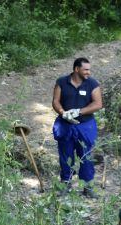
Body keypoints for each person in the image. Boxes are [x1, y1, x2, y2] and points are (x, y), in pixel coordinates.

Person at [51, 57, 103, 198]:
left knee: (86, 155)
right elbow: (55, 101)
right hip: (65, 125)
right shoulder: (62, 82)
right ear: (76, 69)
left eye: (89, 69)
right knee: (65, 155)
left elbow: (98, 104)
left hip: (85, 125)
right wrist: (63, 113)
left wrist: (79, 111)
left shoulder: (92, 84)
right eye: (86, 69)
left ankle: (88, 187)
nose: (88, 72)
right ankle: (65, 184)